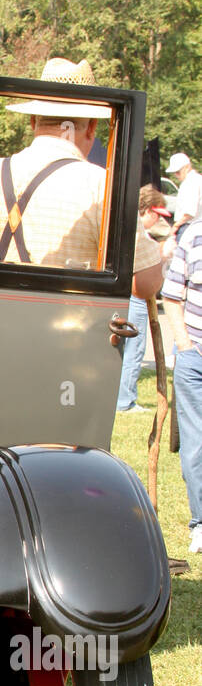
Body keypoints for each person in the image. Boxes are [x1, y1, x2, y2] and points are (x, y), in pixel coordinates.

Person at [0, 57, 163, 300]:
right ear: (91, 127)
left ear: (32, 121)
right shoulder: (102, 187)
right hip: (66, 333)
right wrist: (159, 252)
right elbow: (144, 284)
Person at [161, 206, 202, 553]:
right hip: (196, 358)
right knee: (195, 445)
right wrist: (186, 346)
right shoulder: (193, 235)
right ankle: (200, 523)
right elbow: (171, 294)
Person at [116, 187, 168, 413]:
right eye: (156, 214)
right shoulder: (137, 232)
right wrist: (163, 253)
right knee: (134, 348)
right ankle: (125, 400)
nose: (158, 220)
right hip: (136, 295)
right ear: (146, 210)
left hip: (125, 294)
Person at [166, 152, 202, 229]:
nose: (176, 175)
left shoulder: (190, 182)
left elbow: (190, 212)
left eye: (178, 172)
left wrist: (175, 226)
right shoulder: (197, 179)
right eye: (174, 173)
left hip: (188, 226)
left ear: (187, 167)